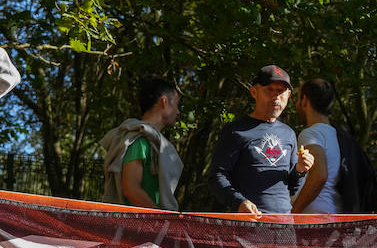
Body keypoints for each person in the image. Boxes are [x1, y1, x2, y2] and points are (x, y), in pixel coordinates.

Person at [209, 65, 314, 214]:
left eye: (280, 91)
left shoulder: (289, 133)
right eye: (269, 89)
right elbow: (216, 177)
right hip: (249, 225)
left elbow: (292, 188)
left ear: (289, 95)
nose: (276, 96)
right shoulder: (235, 130)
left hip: (284, 225)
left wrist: (301, 170)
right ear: (254, 92)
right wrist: (238, 202)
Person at [99, 77, 184, 210]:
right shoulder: (138, 140)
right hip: (134, 226)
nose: (178, 111)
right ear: (164, 101)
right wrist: (161, 221)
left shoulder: (153, 143)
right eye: (176, 104)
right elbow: (131, 189)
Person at [292, 79, 343, 214]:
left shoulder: (311, 133)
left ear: (304, 101)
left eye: (297, 99)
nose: (296, 105)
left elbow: (319, 175)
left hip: (314, 221)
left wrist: (293, 213)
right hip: (332, 215)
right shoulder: (336, 135)